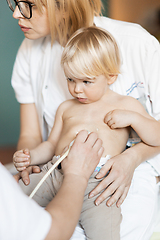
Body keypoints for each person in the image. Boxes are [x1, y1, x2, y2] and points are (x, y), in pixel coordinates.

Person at [6, 0, 160, 239]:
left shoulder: (126, 104)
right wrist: (29, 158)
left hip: (99, 182)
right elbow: (48, 143)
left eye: (29, 4)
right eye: (70, 80)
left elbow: (156, 135)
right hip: (55, 172)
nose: (77, 90)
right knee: (10, 196)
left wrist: (131, 149)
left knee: (106, 231)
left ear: (110, 77)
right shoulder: (66, 108)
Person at [0, 130, 104, 240]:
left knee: (104, 231)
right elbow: (52, 144)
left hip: (97, 180)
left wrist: (124, 159)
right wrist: (31, 157)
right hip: (55, 172)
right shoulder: (64, 111)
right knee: (21, 187)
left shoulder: (120, 115)